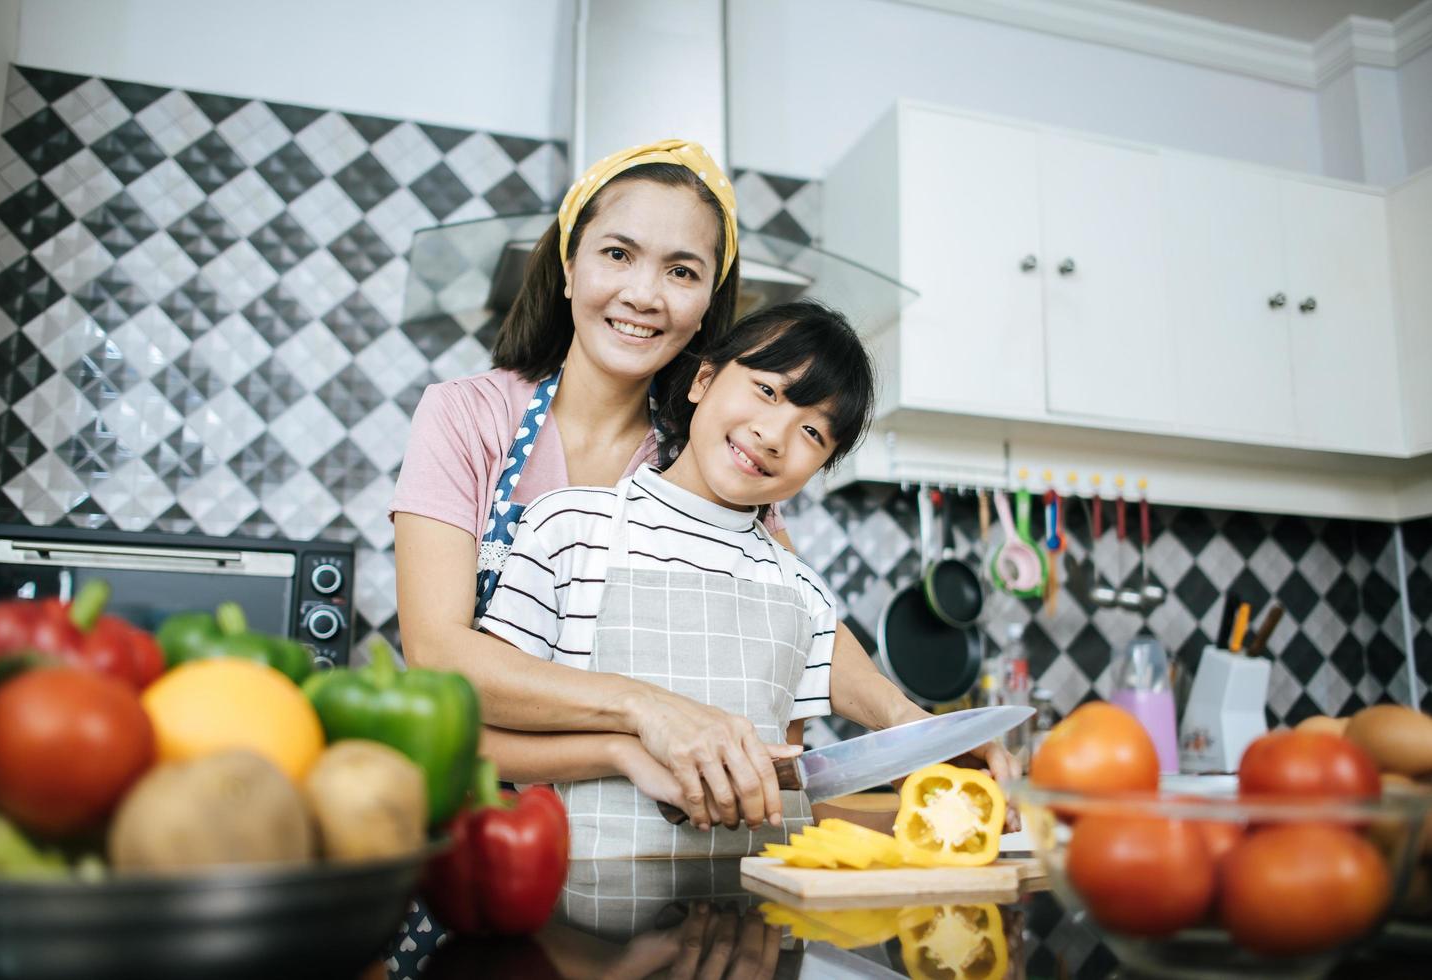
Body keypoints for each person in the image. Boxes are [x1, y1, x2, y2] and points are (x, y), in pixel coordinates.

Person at [391, 139, 1016, 838]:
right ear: (569, 267)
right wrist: (645, 710)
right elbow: (438, 657)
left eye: (681, 271)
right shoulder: (470, 416)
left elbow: (797, 615)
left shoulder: (711, 455)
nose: (643, 295)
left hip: (646, 828)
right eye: (617, 254)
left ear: (705, 309)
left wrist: (910, 726)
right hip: (475, 821)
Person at [481, 301, 873, 857]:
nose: (774, 435)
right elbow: (482, 740)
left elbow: (781, 793)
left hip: (748, 917)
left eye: (813, 431)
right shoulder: (568, 527)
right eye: (767, 391)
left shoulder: (802, 596)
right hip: (579, 921)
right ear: (704, 379)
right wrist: (628, 754)